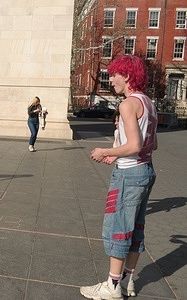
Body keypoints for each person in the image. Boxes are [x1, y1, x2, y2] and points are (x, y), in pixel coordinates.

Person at [80, 55, 157, 300]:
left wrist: (107, 151)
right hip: (145, 171)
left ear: (127, 76)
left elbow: (134, 144)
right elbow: (151, 144)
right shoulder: (148, 102)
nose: (111, 78)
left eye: (115, 74)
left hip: (129, 175)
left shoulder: (127, 105)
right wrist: (119, 155)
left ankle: (112, 287)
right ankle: (127, 281)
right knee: (135, 229)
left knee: (119, 228)